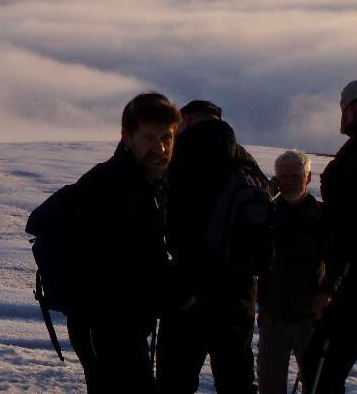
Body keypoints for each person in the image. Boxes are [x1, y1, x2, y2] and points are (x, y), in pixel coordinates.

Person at [52, 92, 181, 393]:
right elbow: (111, 265)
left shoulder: (149, 184)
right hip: (104, 325)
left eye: (167, 138)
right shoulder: (108, 186)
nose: (160, 147)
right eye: (149, 137)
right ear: (127, 136)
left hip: (126, 322)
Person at [157, 100, 267, 394]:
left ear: (189, 121)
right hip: (239, 289)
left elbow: (170, 219)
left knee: (175, 380)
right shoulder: (246, 160)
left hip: (190, 285)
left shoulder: (182, 154)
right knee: (237, 380)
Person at [300, 79, 357, 393]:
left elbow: (344, 231)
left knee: (320, 367)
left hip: (352, 285)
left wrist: (330, 284)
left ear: (351, 109)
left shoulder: (350, 162)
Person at [256, 150, 325, 394]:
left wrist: (328, 293)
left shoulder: (322, 218)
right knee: (270, 384)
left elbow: (337, 262)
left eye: (295, 176)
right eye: (282, 177)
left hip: (311, 318)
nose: (289, 183)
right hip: (273, 316)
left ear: (308, 178)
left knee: (317, 384)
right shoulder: (266, 215)